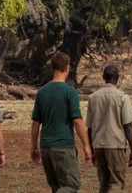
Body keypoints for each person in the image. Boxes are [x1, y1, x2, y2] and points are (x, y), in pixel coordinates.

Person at [31, 52, 93, 192]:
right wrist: (86, 145)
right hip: (63, 147)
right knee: (71, 184)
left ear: (52, 68)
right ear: (67, 68)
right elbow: (77, 121)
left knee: (56, 186)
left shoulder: (42, 92)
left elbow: (35, 123)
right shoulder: (70, 92)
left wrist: (34, 147)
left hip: (46, 147)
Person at [86, 64, 132, 192]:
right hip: (115, 145)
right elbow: (128, 126)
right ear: (118, 78)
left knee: (103, 182)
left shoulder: (93, 98)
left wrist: (91, 148)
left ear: (103, 77)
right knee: (116, 182)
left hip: (98, 144)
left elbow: (90, 127)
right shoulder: (122, 97)